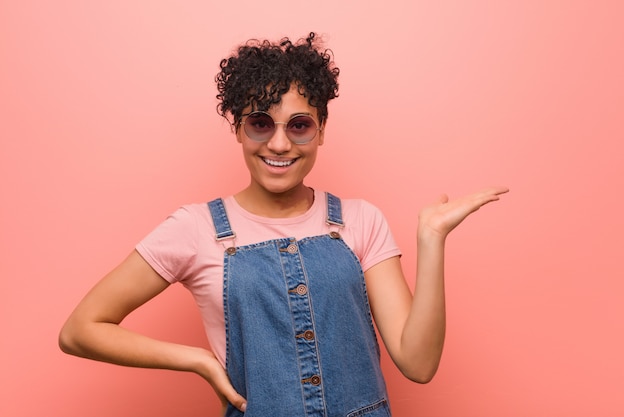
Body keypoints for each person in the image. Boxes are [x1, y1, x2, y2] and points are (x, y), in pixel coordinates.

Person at [59, 32, 508, 417]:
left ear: (322, 128)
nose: (279, 143)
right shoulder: (195, 228)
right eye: (259, 123)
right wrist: (199, 360)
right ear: (237, 128)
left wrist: (431, 240)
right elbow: (80, 330)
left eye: (299, 125)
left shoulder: (360, 220)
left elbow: (418, 363)